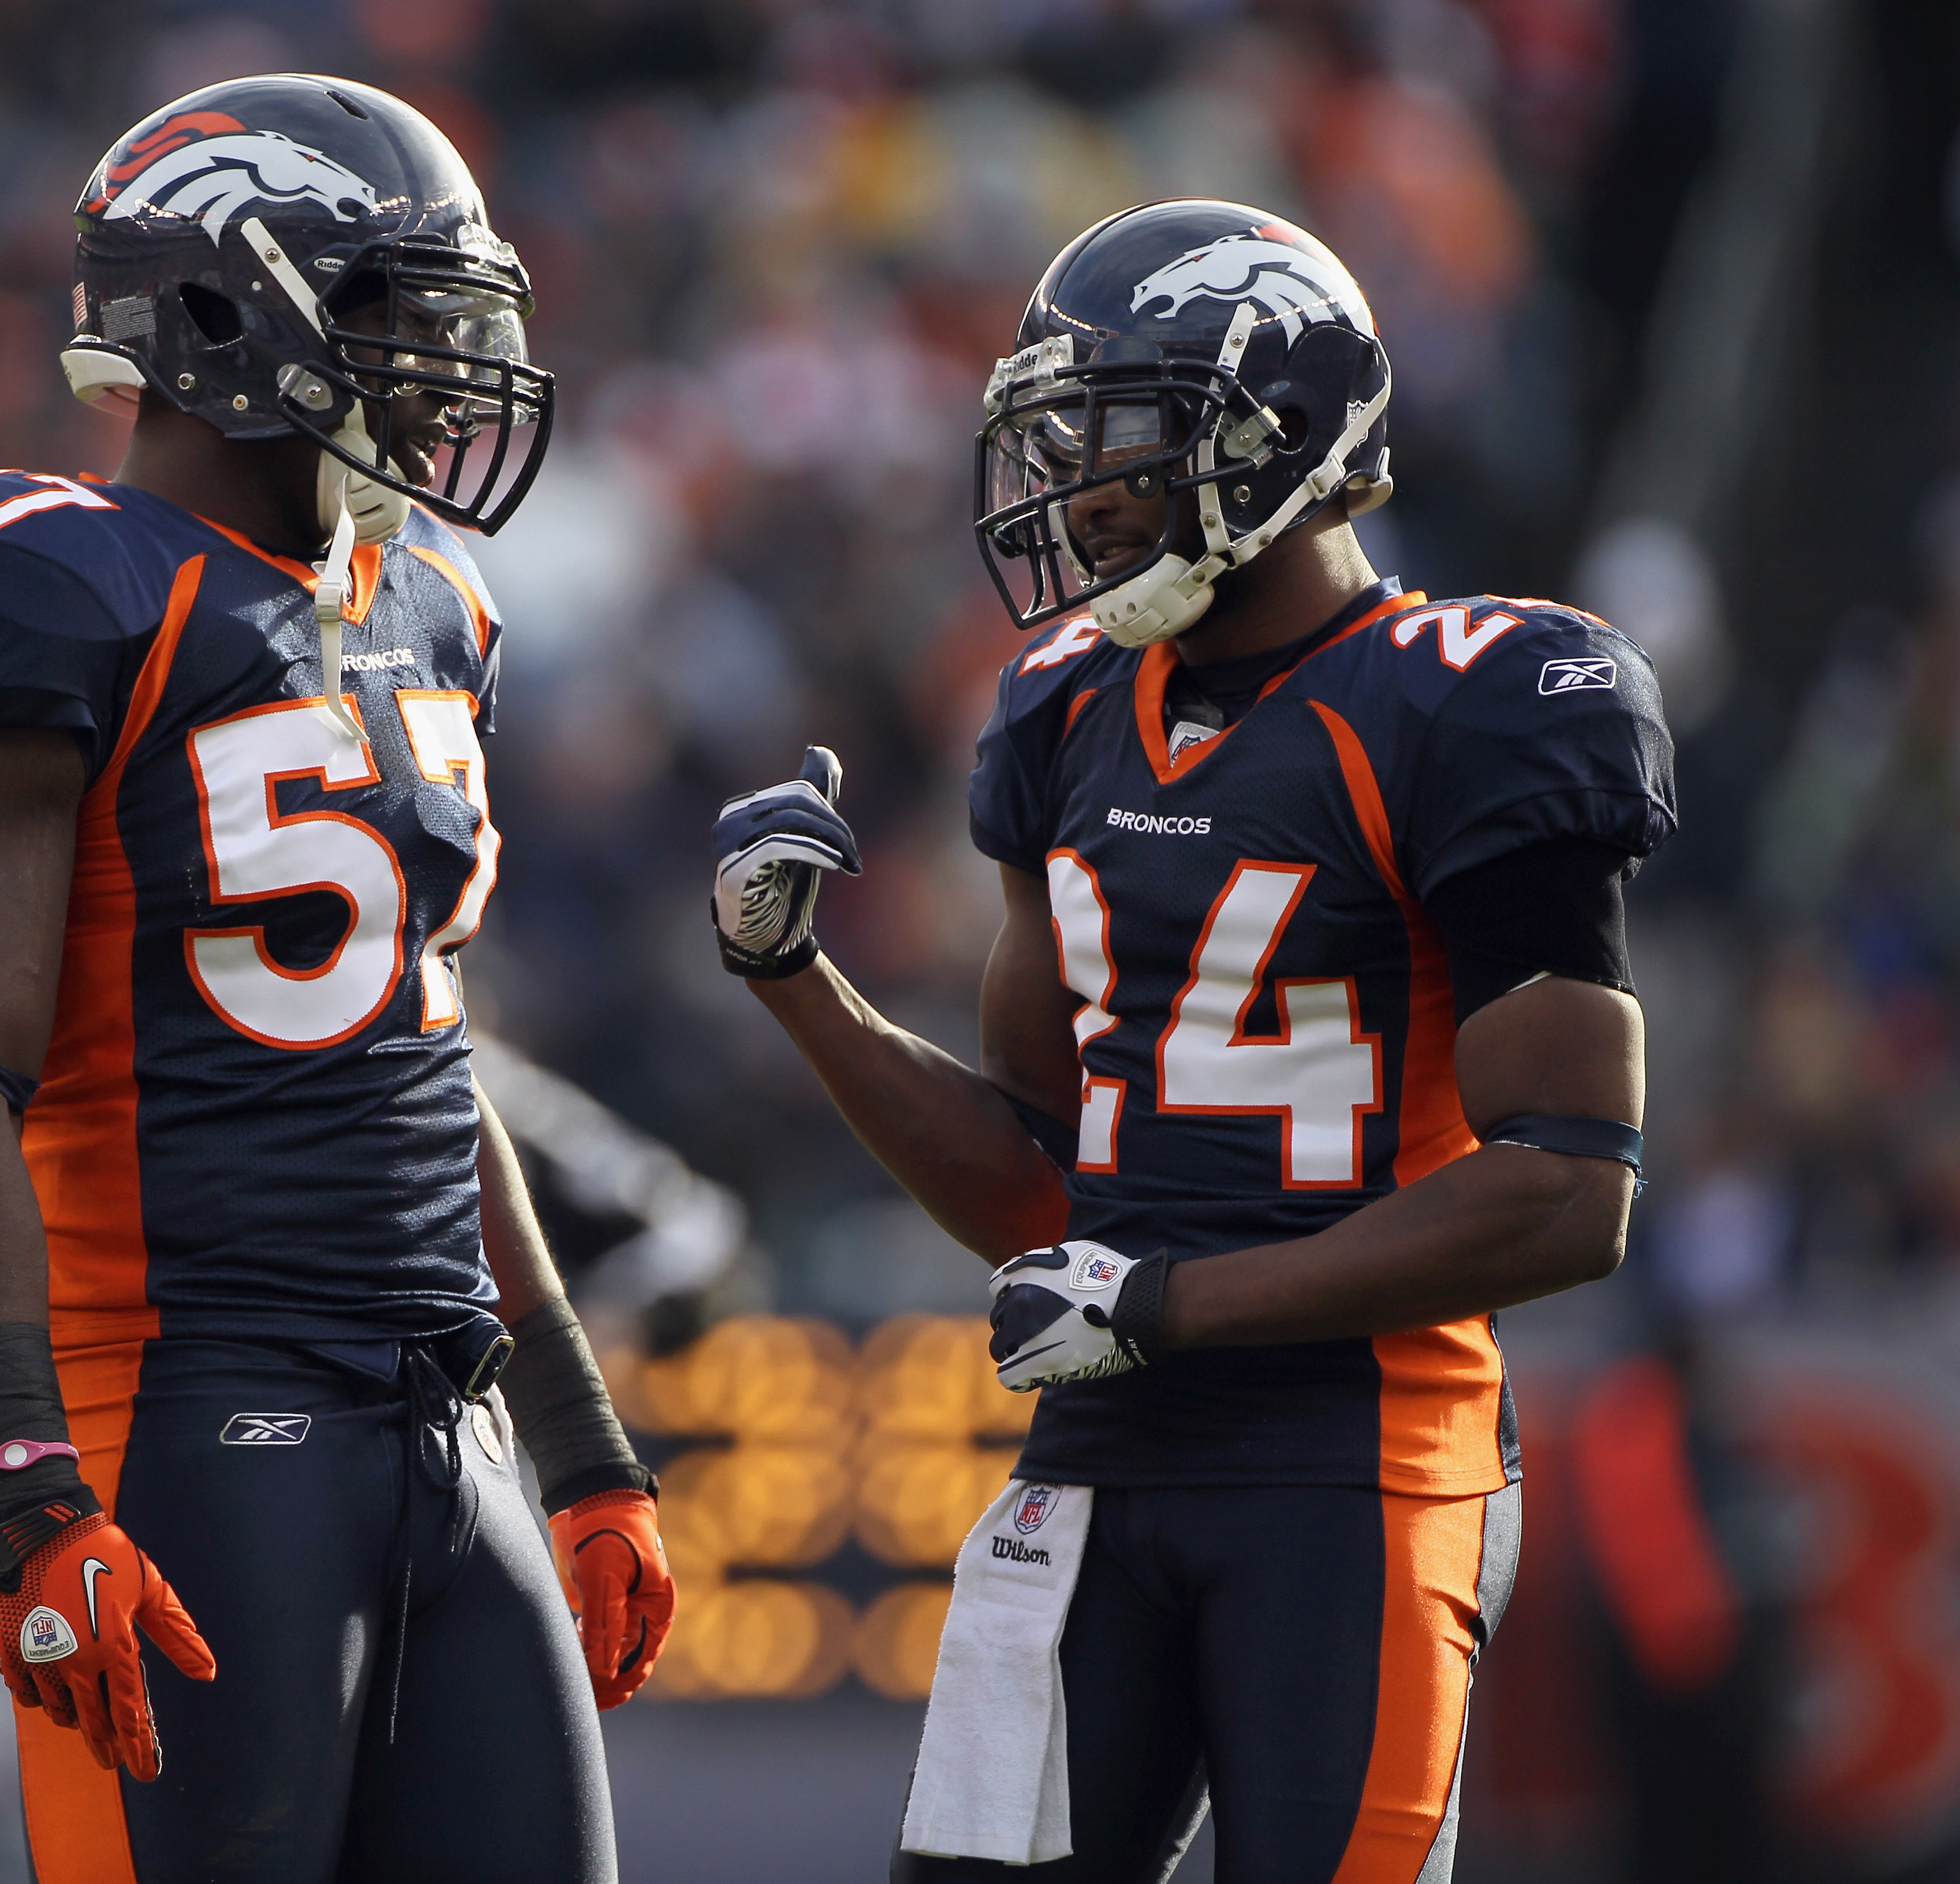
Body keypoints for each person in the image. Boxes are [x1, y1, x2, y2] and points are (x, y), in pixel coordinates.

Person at [710, 200, 1675, 1882]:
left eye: (1127, 439)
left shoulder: (1477, 696)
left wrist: (1167, 1301)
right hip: (1099, 1455)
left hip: (1358, 1458)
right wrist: (797, 980)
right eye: (1066, 440)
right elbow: (1038, 1179)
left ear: (1278, 442)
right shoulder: (1064, 709)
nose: (1080, 488)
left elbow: (1564, 1193)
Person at [0, 75, 673, 1884]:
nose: (449, 369)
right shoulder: (53, 582)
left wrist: (580, 1434)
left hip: (444, 1426)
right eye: (397, 314)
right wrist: (19, 1472)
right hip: (190, 1419)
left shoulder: (431, 602)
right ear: (230, 314)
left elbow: (426, 1056)